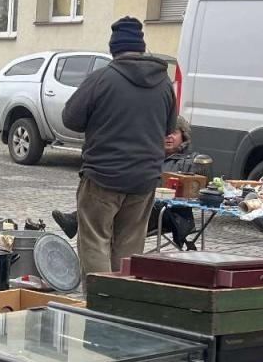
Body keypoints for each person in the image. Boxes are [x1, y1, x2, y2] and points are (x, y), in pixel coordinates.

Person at [64, 17, 179, 276]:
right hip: (144, 180)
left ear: (113, 48)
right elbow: (169, 128)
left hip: (103, 177)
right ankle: (121, 303)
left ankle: (98, 303)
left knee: (95, 241)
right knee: (130, 248)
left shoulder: (102, 79)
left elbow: (70, 118)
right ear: (141, 47)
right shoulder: (164, 84)